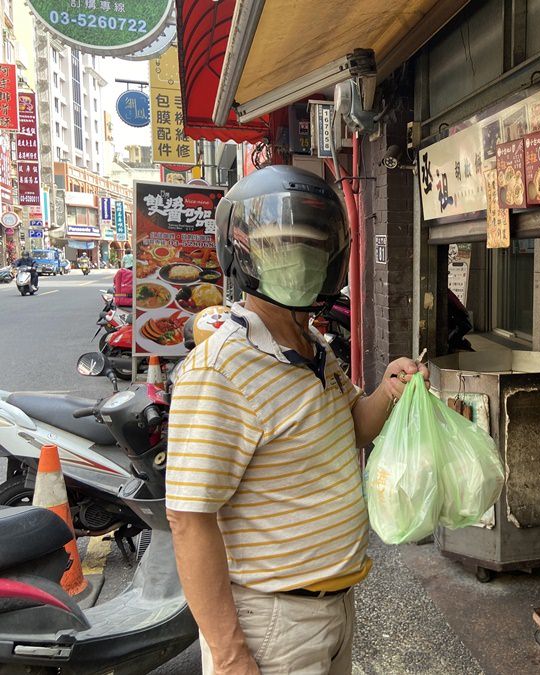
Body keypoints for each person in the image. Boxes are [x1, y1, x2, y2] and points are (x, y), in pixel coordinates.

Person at [166, 165, 428, 675]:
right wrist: (228, 651)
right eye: (283, 244)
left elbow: (353, 425)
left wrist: (390, 389)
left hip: (333, 608)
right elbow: (189, 518)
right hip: (271, 623)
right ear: (242, 252)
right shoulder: (221, 369)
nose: (302, 258)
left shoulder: (315, 348)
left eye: (313, 244)